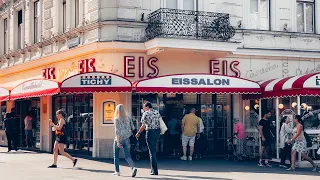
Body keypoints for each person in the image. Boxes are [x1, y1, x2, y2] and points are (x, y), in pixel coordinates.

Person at [135, 102, 161, 175]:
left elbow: (143, 125)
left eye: (144, 106)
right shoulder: (157, 112)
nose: (143, 108)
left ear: (147, 107)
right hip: (157, 132)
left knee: (152, 152)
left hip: (150, 132)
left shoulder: (146, 113)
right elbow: (160, 121)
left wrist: (138, 133)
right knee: (154, 150)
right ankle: (153, 169)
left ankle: (154, 170)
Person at [113, 104, 137, 177]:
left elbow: (117, 131)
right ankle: (133, 168)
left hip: (119, 138)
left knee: (116, 156)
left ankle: (117, 171)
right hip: (127, 138)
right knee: (127, 156)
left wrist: (118, 141)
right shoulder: (128, 118)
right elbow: (133, 128)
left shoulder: (116, 119)